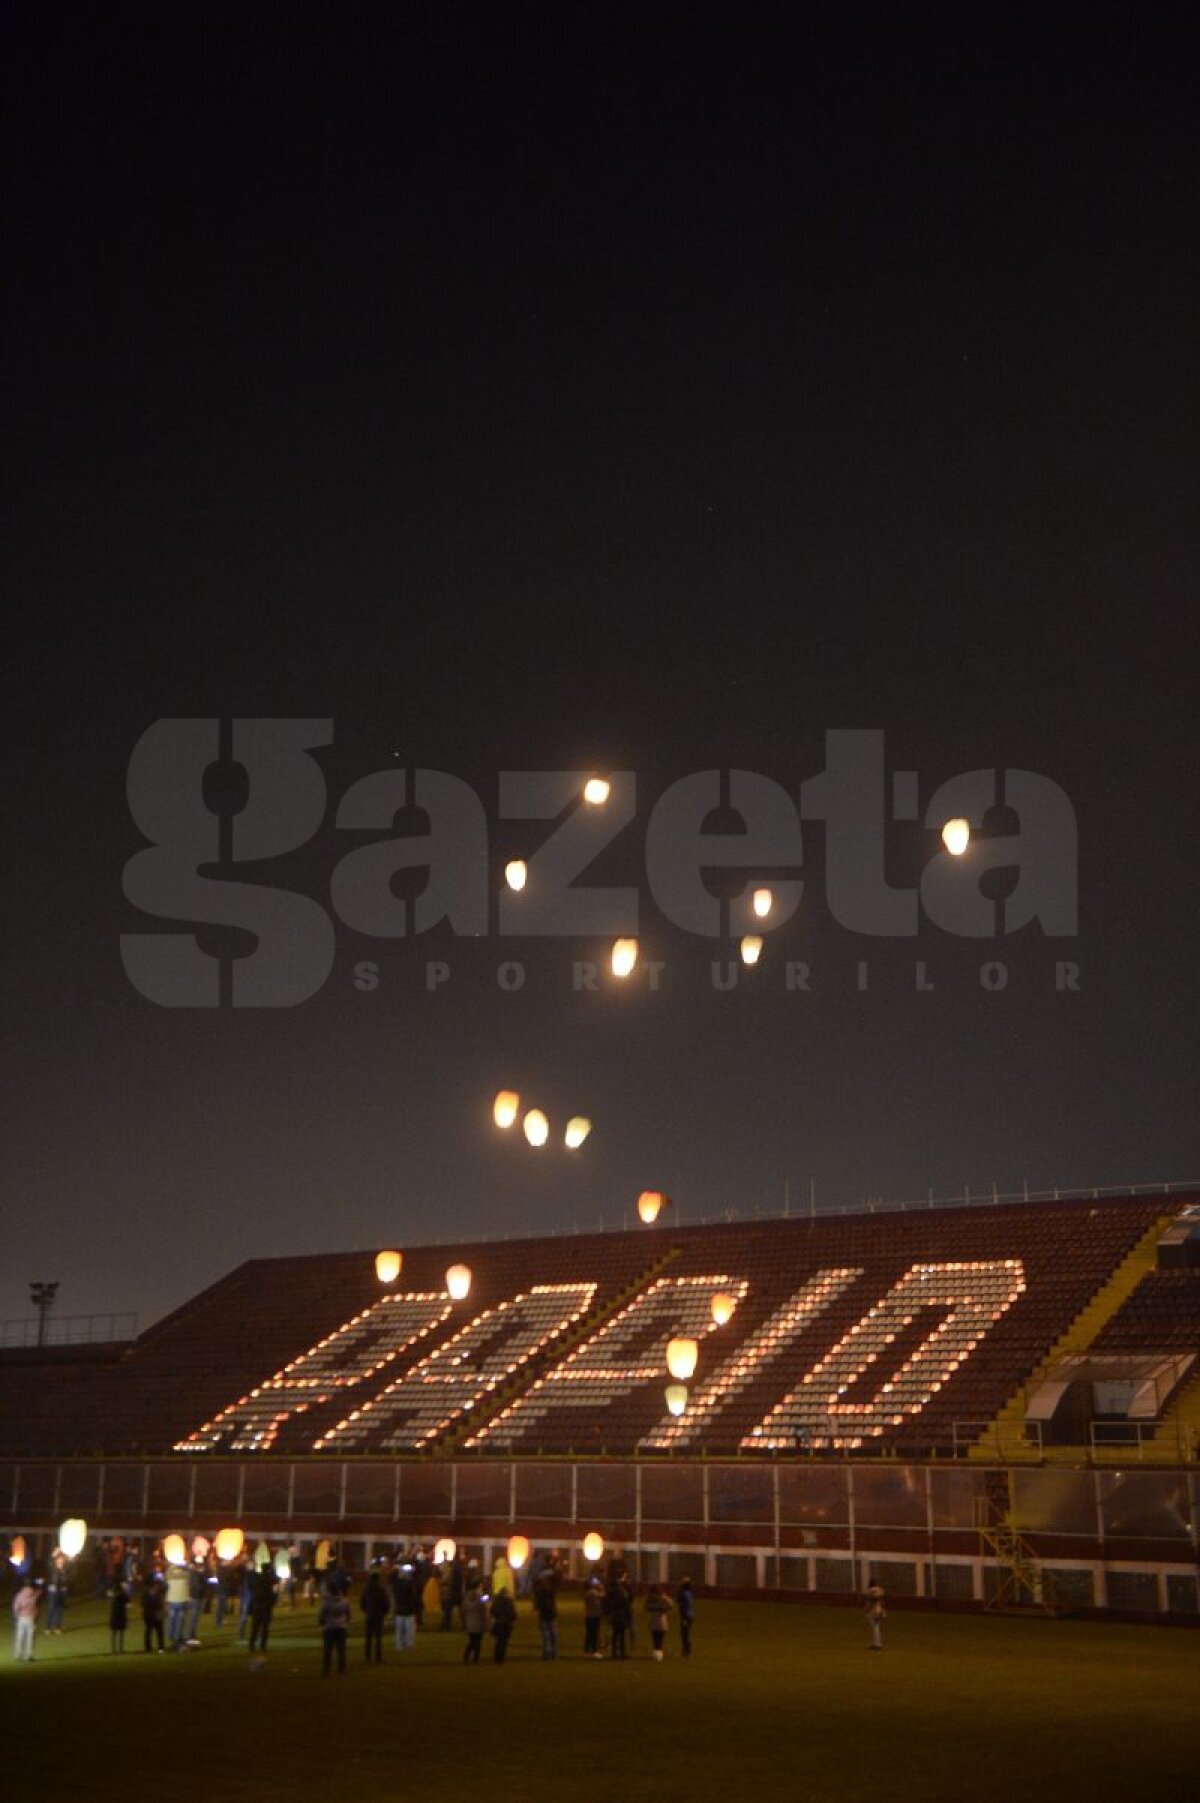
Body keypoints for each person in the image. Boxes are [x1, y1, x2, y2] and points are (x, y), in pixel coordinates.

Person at [248, 1559, 279, 1658]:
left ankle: (252, 1644)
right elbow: (276, 1581)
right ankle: (263, 1645)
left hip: (257, 1606)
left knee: (255, 1627)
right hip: (266, 1606)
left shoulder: (257, 1578)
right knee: (265, 1628)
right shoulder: (270, 1579)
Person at [533, 1553, 560, 1660]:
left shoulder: (540, 1589)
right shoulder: (552, 1588)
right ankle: (554, 1653)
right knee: (553, 1634)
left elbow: (537, 1596)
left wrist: (536, 1607)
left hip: (544, 1613)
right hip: (552, 1612)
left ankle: (547, 1653)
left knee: (545, 1634)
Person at [319, 1585, 351, 1676]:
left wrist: (322, 1622)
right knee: (341, 1650)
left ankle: (327, 1669)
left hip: (329, 1627)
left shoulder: (326, 1603)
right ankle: (342, 1669)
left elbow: (322, 1615)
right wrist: (345, 1622)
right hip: (341, 1627)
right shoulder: (345, 1601)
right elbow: (348, 1614)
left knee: (328, 1650)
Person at [360, 1568, 388, 1663]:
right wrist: (384, 1612)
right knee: (378, 1637)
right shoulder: (381, 1589)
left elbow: (362, 1602)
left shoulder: (366, 1589)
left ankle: (368, 1656)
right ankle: (378, 1656)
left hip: (370, 1614)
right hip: (379, 1615)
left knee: (368, 1636)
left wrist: (366, 1610)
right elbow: (386, 1602)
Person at [390, 1559, 419, 1652]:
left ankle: (399, 1645)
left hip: (400, 1610)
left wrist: (396, 1569)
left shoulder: (397, 1584)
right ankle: (409, 1645)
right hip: (408, 1610)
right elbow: (414, 1596)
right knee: (409, 1630)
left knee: (399, 1630)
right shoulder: (410, 1584)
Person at [12, 1579, 40, 1662]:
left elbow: (15, 1607)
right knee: (30, 1637)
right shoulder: (34, 1595)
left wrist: (17, 1615)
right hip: (31, 1617)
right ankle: (28, 1655)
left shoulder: (19, 1595)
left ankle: (18, 1655)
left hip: (21, 1617)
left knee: (20, 1637)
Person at [644, 1583, 672, 1660]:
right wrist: (664, 1608)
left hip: (653, 1620)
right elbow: (670, 1604)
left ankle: (655, 1653)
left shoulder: (649, 1598)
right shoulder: (662, 1597)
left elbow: (645, 1607)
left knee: (655, 1639)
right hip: (661, 1621)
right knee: (660, 1639)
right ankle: (659, 1655)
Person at [462, 1582, 488, 1663]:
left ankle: (467, 1656)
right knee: (477, 1642)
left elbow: (463, 1612)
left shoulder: (466, 1601)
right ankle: (475, 1658)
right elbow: (483, 1611)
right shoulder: (479, 1601)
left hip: (469, 1624)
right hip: (479, 1625)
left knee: (472, 1641)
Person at [489, 1586, 515, 1663]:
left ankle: (497, 1657)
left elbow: (492, 1611)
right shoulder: (509, 1602)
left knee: (498, 1641)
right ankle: (501, 1657)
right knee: (504, 1642)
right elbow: (513, 1613)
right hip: (507, 1624)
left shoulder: (496, 1601)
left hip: (498, 1623)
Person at [45, 1553, 70, 1635]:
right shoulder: (53, 1568)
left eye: (62, 1559)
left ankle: (57, 1627)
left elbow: (72, 1576)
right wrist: (53, 1555)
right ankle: (48, 1627)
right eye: (58, 1559)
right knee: (51, 1609)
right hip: (53, 1591)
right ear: (56, 1560)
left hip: (62, 1591)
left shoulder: (66, 1569)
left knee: (60, 1610)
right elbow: (48, 1562)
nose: (60, 1560)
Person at [142, 1575, 165, 1653]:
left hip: (149, 1614)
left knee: (149, 1631)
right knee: (158, 1631)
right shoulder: (156, 1593)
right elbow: (159, 1604)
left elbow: (143, 1604)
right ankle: (160, 1647)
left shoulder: (146, 1593)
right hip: (154, 1614)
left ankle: (149, 1647)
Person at [583, 1574, 604, 1657]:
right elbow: (598, 1601)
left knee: (589, 1633)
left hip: (589, 1615)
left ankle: (587, 1648)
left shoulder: (587, 1593)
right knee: (594, 1633)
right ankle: (594, 1650)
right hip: (595, 1616)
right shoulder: (594, 1593)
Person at [864, 1580, 886, 1650]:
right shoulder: (880, 1590)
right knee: (876, 1627)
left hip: (873, 1610)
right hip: (879, 1609)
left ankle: (877, 1644)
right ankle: (875, 1643)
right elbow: (882, 1600)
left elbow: (870, 1601)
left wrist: (867, 1609)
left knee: (875, 1627)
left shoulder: (869, 1591)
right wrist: (883, 1610)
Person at [109, 1582, 129, 1653]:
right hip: (121, 1615)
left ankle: (113, 1649)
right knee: (121, 1633)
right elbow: (128, 1601)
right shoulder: (123, 1595)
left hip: (114, 1615)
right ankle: (120, 1648)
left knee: (114, 1633)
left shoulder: (114, 1595)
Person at [677, 1577, 695, 1657]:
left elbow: (679, 1602)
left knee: (685, 1634)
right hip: (691, 1615)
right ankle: (686, 1651)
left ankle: (686, 1651)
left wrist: (683, 1618)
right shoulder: (689, 1592)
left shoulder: (682, 1593)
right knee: (686, 1634)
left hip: (685, 1615)